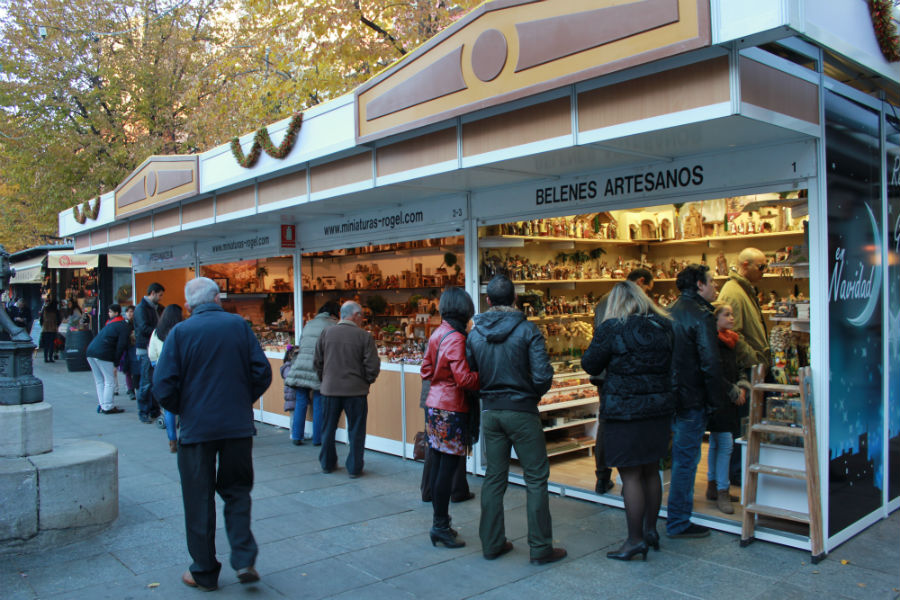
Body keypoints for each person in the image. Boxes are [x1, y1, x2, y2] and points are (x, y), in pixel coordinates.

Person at [153, 277, 272, 592]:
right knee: (237, 490)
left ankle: (204, 571)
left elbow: (162, 386)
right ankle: (244, 557)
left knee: (198, 498)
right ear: (218, 299)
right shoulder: (238, 326)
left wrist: (187, 408)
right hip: (236, 427)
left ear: (190, 306)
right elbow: (262, 373)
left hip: (196, 430)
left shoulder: (180, 332)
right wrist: (239, 400)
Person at [467, 275, 566, 565]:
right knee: (535, 478)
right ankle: (540, 548)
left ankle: (492, 543)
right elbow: (542, 376)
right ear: (514, 300)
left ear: (488, 300)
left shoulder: (475, 334)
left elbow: (473, 373)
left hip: (491, 411)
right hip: (522, 410)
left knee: (494, 477)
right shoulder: (527, 330)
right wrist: (530, 394)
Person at [582, 281, 674, 561]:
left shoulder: (613, 328)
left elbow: (590, 364)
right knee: (651, 471)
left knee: (630, 475)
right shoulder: (665, 326)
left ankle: (634, 540)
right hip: (658, 410)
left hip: (624, 411)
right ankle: (650, 531)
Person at [666, 264, 725, 538]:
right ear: (699, 285)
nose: (716, 286)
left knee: (676, 459)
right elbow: (710, 364)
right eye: (712, 281)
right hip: (691, 398)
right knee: (686, 461)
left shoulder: (668, 312)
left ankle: (669, 516)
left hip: (671, 396)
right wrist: (715, 401)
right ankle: (678, 521)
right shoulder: (702, 316)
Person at [420, 287, 480, 548]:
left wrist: (440, 378)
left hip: (436, 405)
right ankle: (440, 526)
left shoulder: (438, 332)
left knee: (440, 466)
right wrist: (486, 375)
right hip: (451, 408)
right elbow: (465, 379)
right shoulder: (456, 337)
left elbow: (425, 369)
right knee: (447, 469)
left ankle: (441, 523)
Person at [591, 267, 654, 495]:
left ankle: (603, 475)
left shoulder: (603, 301)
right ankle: (628, 475)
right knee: (626, 424)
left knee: (606, 423)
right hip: (623, 373)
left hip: (605, 374)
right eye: (647, 288)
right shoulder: (635, 303)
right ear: (640, 282)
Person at [314, 301, 380, 477]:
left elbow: (317, 362)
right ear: (355, 315)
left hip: (329, 389)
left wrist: (325, 379)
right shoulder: (363, 337)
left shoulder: (326, 333)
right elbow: (372, 365)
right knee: (356, 431)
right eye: (362, 316)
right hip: (355, 391)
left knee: (328, 429)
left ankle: (327, 463)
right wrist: (366, 381)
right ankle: (354, 467)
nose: (363, 319)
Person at [706, 304, 750, 515]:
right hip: (718, 400)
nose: (732, 318)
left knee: (717, 442)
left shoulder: (732, 340)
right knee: (725, 444)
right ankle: (722, 490)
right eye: (727, 315)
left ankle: (713, 485)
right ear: (715, 319)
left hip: (727, 398)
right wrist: (732, 390)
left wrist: (741, 384)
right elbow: (713, 371)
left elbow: (739, 366)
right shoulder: (711, 342)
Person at [285, 301, 340, 446]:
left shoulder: (309, 324)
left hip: (301, 366)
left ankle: (296, 436)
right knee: (318, 401)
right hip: (317, 367)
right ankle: (318, 438)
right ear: (334, 314)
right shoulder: (332, 326)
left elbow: (301, 343)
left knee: (301, 400)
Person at [717, 248, 771, 372]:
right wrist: (754, 360)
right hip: (747, 369)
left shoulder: (744, 290)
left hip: (755, 366)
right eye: (761, 267)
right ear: (746, 265)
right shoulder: (733, 292)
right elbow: (730, 332)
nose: (764, 271)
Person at [149, 304, 184, 453]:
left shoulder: (157, 332)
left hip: (163, 371)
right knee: (185, 404)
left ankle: (172, 440)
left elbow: (151, 354)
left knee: (168, 407)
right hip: (181, 370)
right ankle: (185, 436)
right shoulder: (182, 330)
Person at [85, 304, 130, 414]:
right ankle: (108, 406)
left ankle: (103, 404)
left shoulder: (110, 324)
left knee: (99, 380)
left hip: (91, 351)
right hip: (103, 353)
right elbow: (121, 345)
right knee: (109, 381)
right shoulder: (123, 325)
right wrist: (117, 361)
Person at [134, 283, 165, 424]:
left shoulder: (156, 308)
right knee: (146, 381)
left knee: (153, 380)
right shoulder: (141, 309)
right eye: (159, 295)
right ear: (152, 293)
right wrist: (160, 332)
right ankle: (144, 411)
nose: (161, 298)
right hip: (146, 348)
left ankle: (153, 409)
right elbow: (143, 328)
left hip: (153, 347)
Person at [280, 345, 298, 440]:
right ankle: (293, 433)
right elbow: (289, 379)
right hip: (292, 395)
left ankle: (296, 432)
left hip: (292, 395)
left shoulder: (288, 366)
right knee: (293, 416)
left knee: (295, 415)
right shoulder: (288, 367)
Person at [38, 298, 59, 363]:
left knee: (46, 345)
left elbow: (41, 319)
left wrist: (43, 325)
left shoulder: (45, 309)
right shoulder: (56, 311)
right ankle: (50, 357)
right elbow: (58, 320)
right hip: (53, 329)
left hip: (45, 329)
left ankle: (45, 358)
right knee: (52, 344)